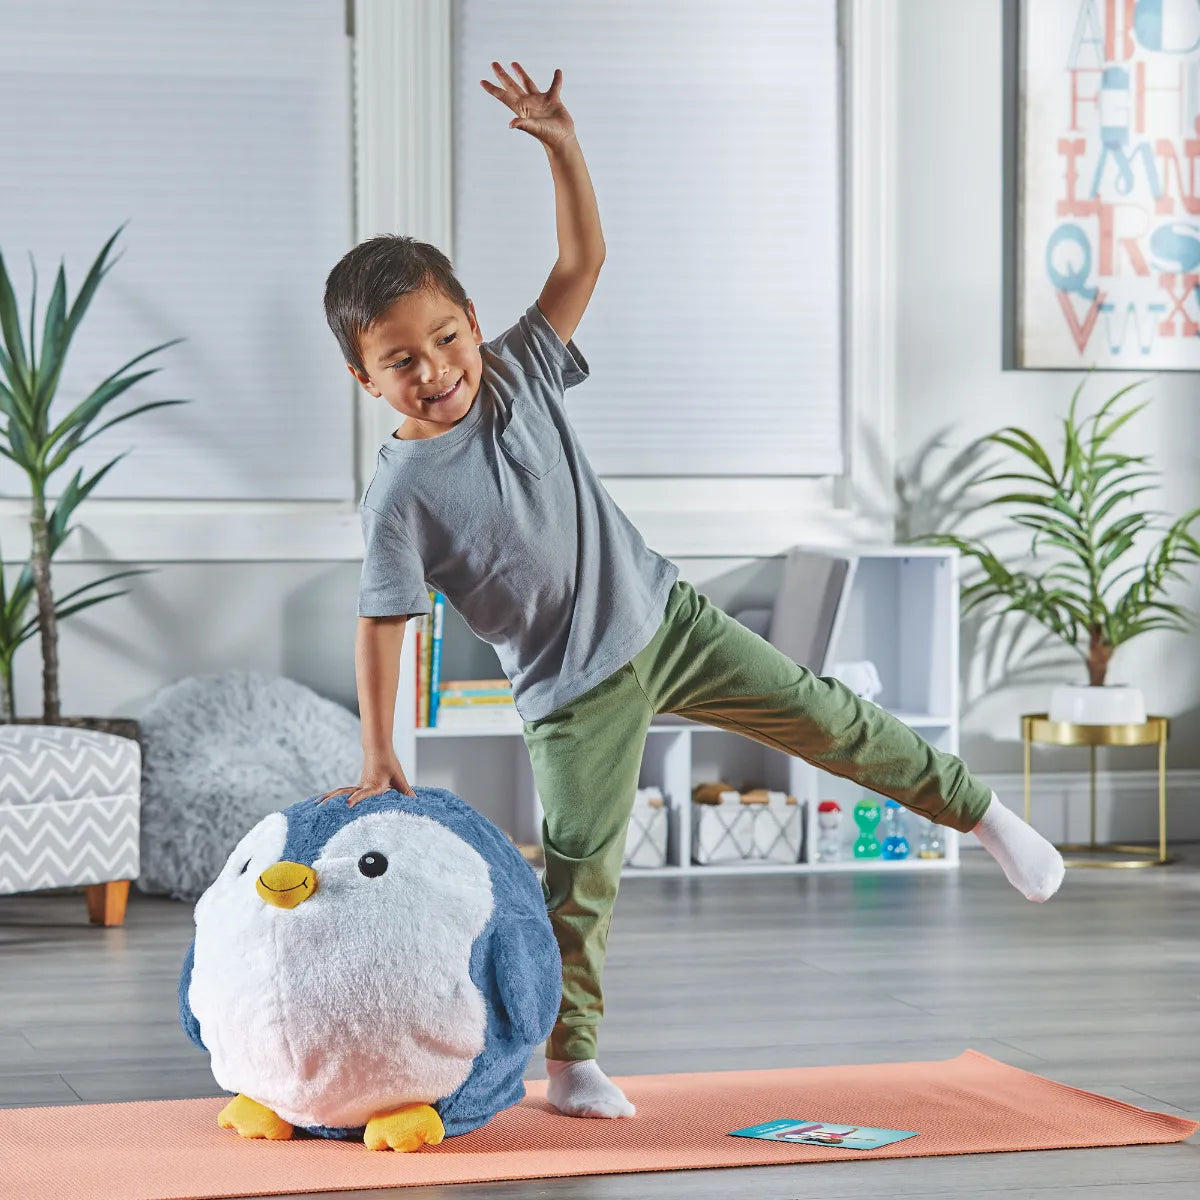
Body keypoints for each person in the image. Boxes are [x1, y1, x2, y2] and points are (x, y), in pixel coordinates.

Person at [318, 61, 1065, 1121]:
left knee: (828, 716)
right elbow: (384, 620)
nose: (436, 369)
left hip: (667, 617)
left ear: (472, 320)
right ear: (365, 379)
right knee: (583, 875)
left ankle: (983, 814)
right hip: (570, 692)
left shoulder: (520, 366)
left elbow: (585, 257)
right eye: (402, 361)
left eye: (446, 339)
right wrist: (379, 753)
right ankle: (572, 1065)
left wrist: (562, 147)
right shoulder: (397, 493)